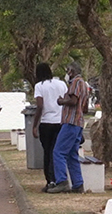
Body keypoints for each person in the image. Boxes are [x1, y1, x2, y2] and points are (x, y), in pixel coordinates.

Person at [48, 62, 89, 194]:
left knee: (58, 152)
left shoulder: (76, 82)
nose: (67, 74)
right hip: (78, 122)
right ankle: (78, 184)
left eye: (67, 71)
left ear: (71, 71)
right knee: (72, 154)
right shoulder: (85, 85)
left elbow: (73, 101)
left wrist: (61, 101)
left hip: (71, 122)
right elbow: (85, 107)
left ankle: (62, 181)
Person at [32, 63, 68, 192]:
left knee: (48, 153)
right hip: (61, 122)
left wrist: (35, 125)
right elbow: (66, 100)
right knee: (57, 152)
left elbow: (40, 106)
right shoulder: (62, 84)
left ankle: (50, 181)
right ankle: (60, 179)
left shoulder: (39, 86)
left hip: (46, 123)